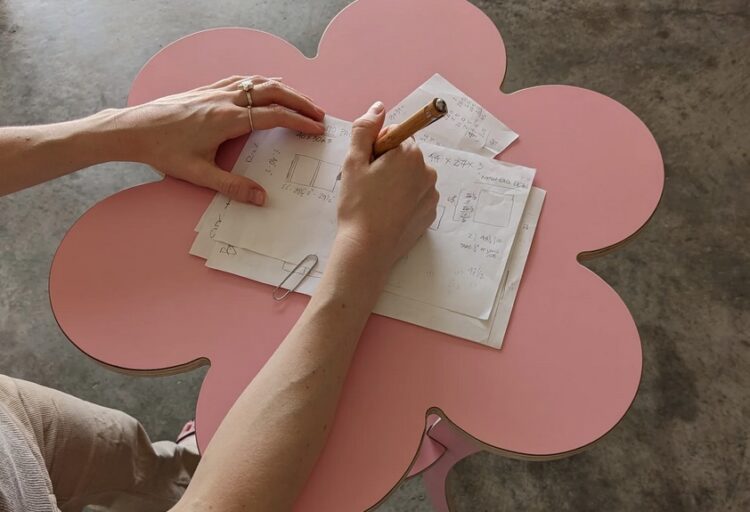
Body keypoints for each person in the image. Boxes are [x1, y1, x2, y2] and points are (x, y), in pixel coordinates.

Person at [0, 75, 438, 511]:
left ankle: (186, 466)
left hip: (11, 419)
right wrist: (364, 250)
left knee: (128, 455)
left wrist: (120, 128)